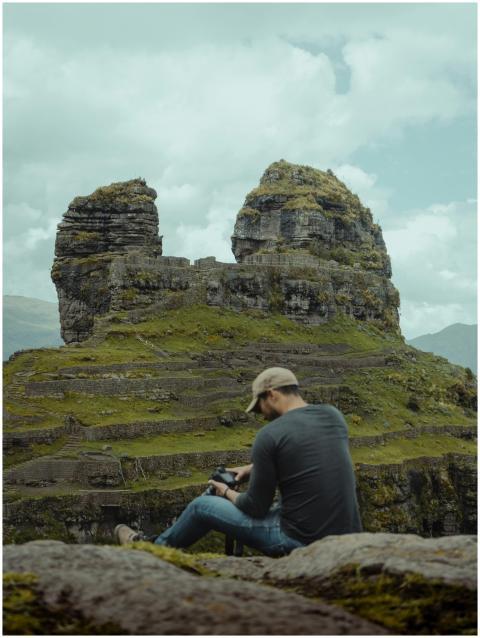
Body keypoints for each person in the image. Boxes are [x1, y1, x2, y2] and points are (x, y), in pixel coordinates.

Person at [115, 367, 362, 556]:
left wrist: (225, 493)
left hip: (299, 540)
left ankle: (150, 550)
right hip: (345, 536)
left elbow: (255, 507)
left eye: (260, 407)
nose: (261, 415)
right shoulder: (332, 416)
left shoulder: (270, 435)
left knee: (202, 506)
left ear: (272, 395)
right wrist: (251, 469)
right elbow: (307, 452)